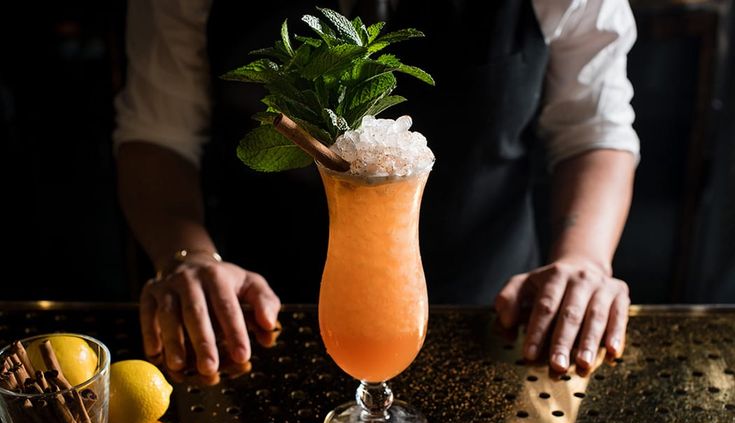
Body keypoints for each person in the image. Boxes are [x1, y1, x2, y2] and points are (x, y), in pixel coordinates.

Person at [114, 0, 639, 376]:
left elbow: (595, 128)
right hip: (255, 326)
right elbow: (157, 134)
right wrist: (187, 256)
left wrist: (585, 260)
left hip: (497, 323)